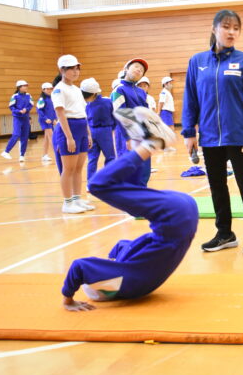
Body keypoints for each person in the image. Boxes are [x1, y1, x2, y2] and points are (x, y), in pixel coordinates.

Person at [61, 107, 196, 311]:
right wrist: (68, 298)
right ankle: (148, 146)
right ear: (106, 286)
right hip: (174, 216)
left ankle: (139, 143)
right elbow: (79, 267)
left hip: (184, 211)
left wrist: (113, 260)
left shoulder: (139, 282)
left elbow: (122, 245)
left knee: (132, 195)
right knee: (98, 185)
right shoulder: (128, 281)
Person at [182, 9, 243, 255]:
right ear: (214, 29)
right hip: (209, 137)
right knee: (217, 186)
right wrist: (189, 132)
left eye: (236, 28)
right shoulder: (197, 62)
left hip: (239, 135)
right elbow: (191, 99)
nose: (231, 32)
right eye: (226, 27)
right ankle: (225, 234)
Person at [52, 55, 94, 214]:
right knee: (68, 169)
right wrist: (69, 137)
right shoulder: (58, 89)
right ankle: (67, 202)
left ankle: (77, 199)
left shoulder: (77, 90)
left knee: (78, 168)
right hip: (68, 128)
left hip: (81, 127)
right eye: (72, 68)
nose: (76, 72)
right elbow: (60, 113)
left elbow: (83, 113)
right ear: (62, 70)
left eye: (77, 68)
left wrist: (88, 134)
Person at [111, 59, 151, 186]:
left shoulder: (141, 92)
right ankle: (128, 199)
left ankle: (142, 196)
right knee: (129, 169)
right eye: (136, 67)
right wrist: (127, 138)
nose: (139, 70)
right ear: (126, 69)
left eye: (142, 70)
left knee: (144, 169)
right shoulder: (119, 90)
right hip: (127, 135)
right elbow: (120, 114)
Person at [81, 78, 116, 182]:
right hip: (104, 131)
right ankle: (109, 181)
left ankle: (90, 182)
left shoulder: (87, 104)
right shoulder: (108, 101)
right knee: (110, 157)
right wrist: (112, 128)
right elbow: (115, 116)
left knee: (92, 158)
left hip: (91, 132)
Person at [1, 80, 33, 162]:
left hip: (25, 119)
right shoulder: (14, 96)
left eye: (26, 85)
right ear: (19, 87)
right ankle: (6, 151)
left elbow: (31, 104)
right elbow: (11, 107)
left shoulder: (29, 96)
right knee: (16, 134)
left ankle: (22, 155)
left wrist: (27, 109)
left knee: (25, 137)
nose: (26, 87)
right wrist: (19, 111)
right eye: (24, 86)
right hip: (18, 118)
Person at [36, 82, 57, 163]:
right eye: (47, 89)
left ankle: (44, 155)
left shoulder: (52, 98)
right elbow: (39, 110)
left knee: (47, 139)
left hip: (51, 120)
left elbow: (53, 110)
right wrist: (45, 119)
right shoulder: (42, 99)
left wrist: (54, 119)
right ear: (43, 90)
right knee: (51, 137)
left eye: (50, 89)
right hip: (45, 121)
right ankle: (58, 154)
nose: (49, 90)